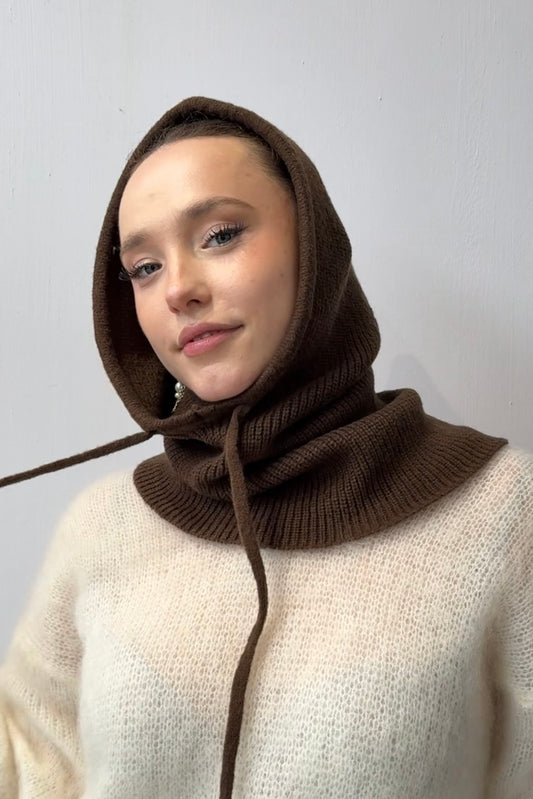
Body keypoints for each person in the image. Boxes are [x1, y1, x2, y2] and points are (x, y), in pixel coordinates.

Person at [0, 96, 532, 799]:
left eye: (219, 235)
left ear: (315, 246)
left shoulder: (504, 513)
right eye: (144, 267)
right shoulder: (102, 526)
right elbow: (29, 761)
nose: (178, 290)